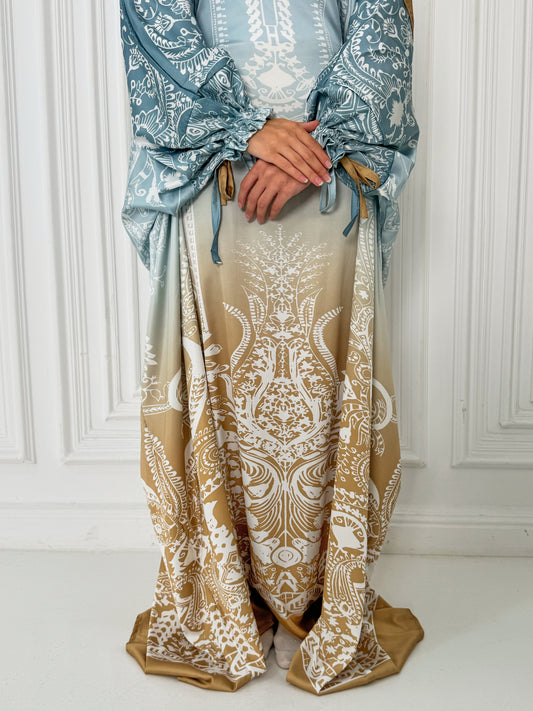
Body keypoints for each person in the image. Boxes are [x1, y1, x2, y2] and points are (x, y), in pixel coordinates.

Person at [119, 0, 424, 695]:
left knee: (318, 384)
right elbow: (152, 21)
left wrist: (319, 143)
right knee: (228, 390)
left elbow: (382, 23)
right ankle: (233, 594)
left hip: (332, 171)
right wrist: (246, 129)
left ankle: (319, 598)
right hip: (217, 173)